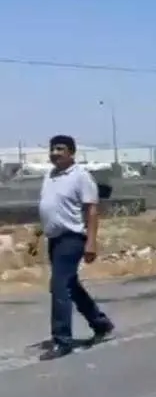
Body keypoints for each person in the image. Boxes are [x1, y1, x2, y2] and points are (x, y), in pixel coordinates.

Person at [32, 134, 116, 360]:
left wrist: (91, 241)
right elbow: (50, 207)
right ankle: (100, 323)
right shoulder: (50, 175)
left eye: (60, 149)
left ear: (71, 152)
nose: (55, 153)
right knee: (70, 285)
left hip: (72, 238)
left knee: (59, 287)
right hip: (55, 238)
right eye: (52, 149)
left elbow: (91, 209)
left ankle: (62, 340)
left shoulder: (81, 176)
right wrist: (39, 233)